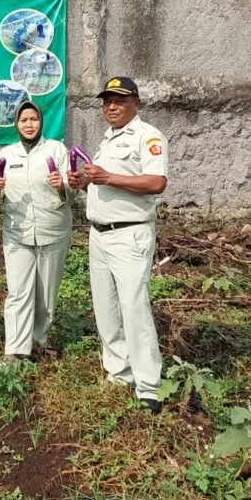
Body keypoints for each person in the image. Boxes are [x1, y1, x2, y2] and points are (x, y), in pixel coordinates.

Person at [67, 76, 168, 413]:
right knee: (107, 309)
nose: (111, 106)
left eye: (119, 101)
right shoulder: (107, 140)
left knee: (134, 308)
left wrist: (106, 177)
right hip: (99, 234)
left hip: (129, 235)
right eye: (107, 101)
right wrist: (84, 183)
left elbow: (156, 182)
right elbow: (105, 186)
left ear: (135, 104)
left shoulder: (148, 137)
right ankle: (118, 372)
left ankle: (148, 387)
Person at [0, 102, 71, 360]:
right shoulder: (6, 155)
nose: (29, 124)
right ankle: (15, 350)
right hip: (17, 232)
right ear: (16, 124)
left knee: (46, 294)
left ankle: (38, 340)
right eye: (23, 119)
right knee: (18, 291)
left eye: (33, 118)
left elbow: (73, 187)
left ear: (41, 122)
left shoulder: (57, 150)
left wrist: (62, 185)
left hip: (53, 229)